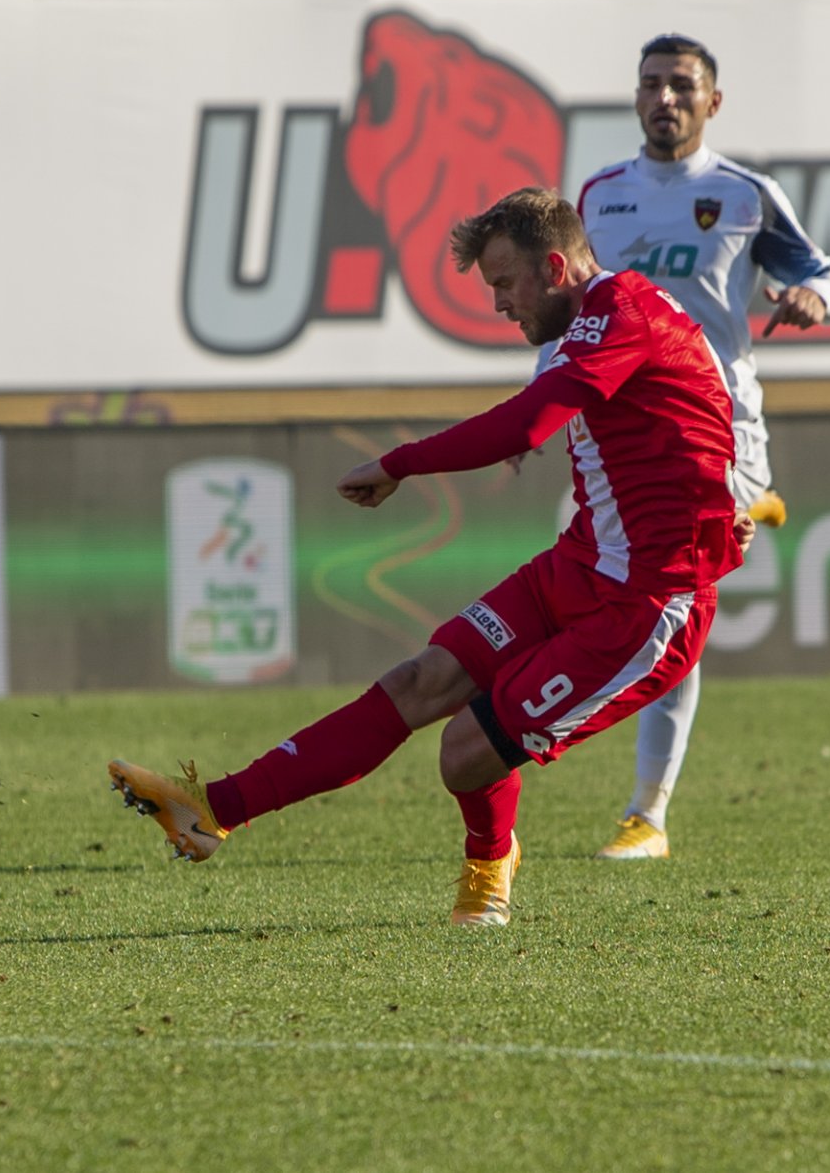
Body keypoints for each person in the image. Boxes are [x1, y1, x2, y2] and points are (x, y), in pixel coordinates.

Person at [109, 188, 752, 927]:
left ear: (553, 267)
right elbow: (685, 417)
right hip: (579, 566)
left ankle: (490, 866)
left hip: (644, 606)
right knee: (421, 679)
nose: (502, 304)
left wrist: (402, 463)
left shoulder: (624, 312)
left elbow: (530, 422)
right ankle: (213, 810)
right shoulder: (597, 324)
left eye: (505, 284)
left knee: (464, 752)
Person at [575, 33, 830, 860]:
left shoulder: (744, 195)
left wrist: (811, 296)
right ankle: (747, 507)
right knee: (626, 600)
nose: (666, 99)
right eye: (652, 85)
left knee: (673, 600)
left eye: (683, 86)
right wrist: (540, 413)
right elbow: (575, 321)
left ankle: (647, 814)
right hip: (620, 432)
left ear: (713, 102)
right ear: (634, 98)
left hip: (717, 425)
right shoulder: (599, 197)